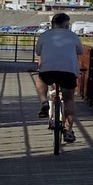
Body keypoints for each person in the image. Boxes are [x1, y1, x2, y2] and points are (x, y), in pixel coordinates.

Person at [34, 12, 84, 143]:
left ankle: (44, 101)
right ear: (66, 24)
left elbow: (38, 52)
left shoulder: (44, 35)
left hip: (48, 71)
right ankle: (68, 130)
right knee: (69, 99)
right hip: (68, 72)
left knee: (40, 80)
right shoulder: (73, 36)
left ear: (52, 24)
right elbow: (80, 52)